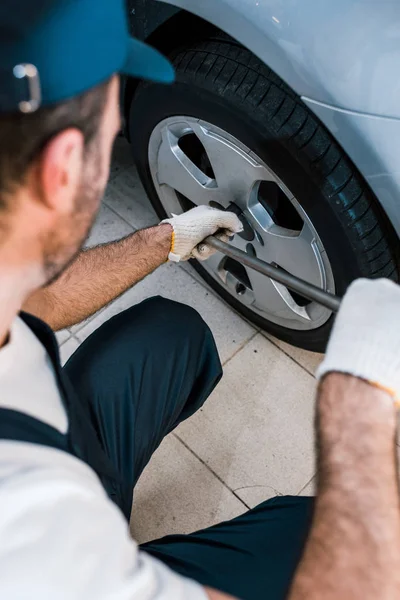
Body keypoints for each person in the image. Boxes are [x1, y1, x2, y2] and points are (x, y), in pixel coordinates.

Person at [1, 1, 400, 599]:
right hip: (66, 551)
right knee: (314, 535)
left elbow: (33, 304)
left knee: (168, 333)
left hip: (50, 448)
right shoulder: (35, 539)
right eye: (110, 127)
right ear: (61, 170)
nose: (119, 135)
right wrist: (356, 415)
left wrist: (165, 239)